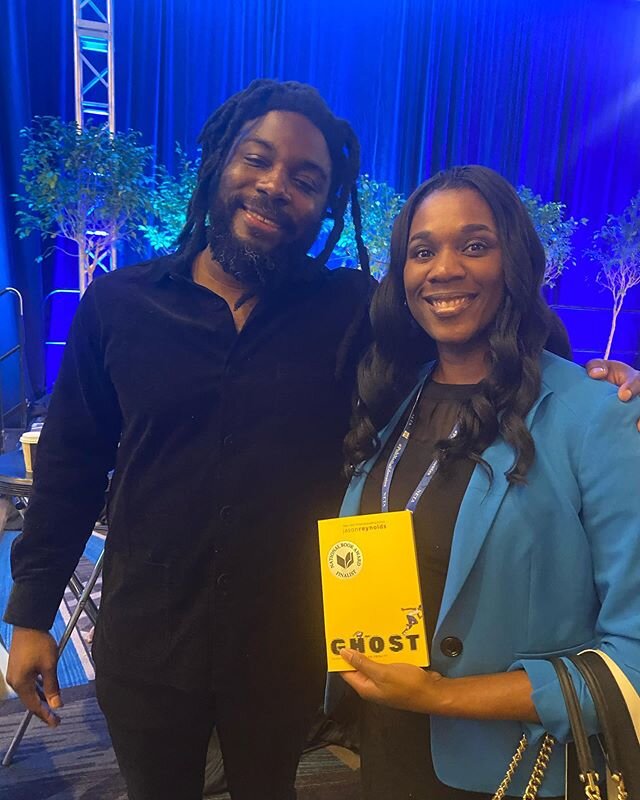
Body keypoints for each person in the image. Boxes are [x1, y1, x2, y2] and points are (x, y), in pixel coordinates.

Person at [2, 82, 638, 799]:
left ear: (327, 205)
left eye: (306, 180)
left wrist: (601, 377)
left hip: (288, 653)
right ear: (217, 163)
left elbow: (478, 342)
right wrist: (31, 614)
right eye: (257, 160)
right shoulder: (118, 305)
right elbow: (71, 465)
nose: (276, 187)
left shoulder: (352, 312)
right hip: (147, 646)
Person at [334, 165, 640, 799]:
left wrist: (444, 696)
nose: (443, 269)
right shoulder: (394, 406)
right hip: (388, 756)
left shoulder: (598, 417)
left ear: (516, 263)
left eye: (474, 245)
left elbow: (633, 660)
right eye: (422, 251)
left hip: (523, 771)